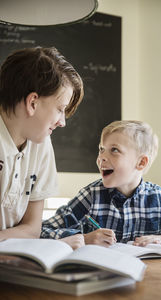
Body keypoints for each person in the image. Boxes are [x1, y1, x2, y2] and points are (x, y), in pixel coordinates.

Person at [41, 120, 161, 248]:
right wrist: (83, 238)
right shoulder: (91, 196)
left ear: (141, 162)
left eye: (114, 150)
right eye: (101, 149)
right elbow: (42, 230)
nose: (101, 157)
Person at [0, 46, 84, 249]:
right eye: (60, 109)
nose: (62, 122)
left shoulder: (41, 144)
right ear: (33, 102)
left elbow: (31, 229)